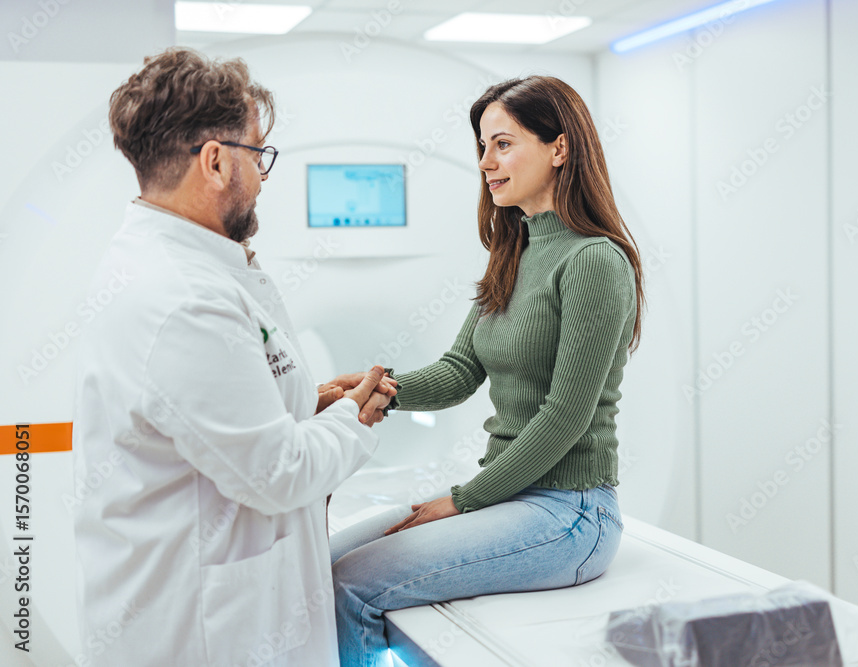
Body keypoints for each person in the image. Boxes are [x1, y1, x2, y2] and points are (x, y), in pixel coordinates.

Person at [71, 48, 396, 667]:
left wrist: (313, 400)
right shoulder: (183, 298)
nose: (264, 175)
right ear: (217, 161)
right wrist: (354, 418)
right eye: (259, 154)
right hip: (203, 632)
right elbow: (277, 472)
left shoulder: (177, 265)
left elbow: (218, 414)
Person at [328, 75, 646, 667]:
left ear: (560, 147)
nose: (485, 162)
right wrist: (374, 387)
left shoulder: (594, 260)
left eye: (502, 144)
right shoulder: (514, 252)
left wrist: (464, 500)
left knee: (352, 584)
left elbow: (566, 417)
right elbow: (457, 372)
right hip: (512, 496)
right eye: (482, 146)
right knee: (322, 563)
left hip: (571, 511)